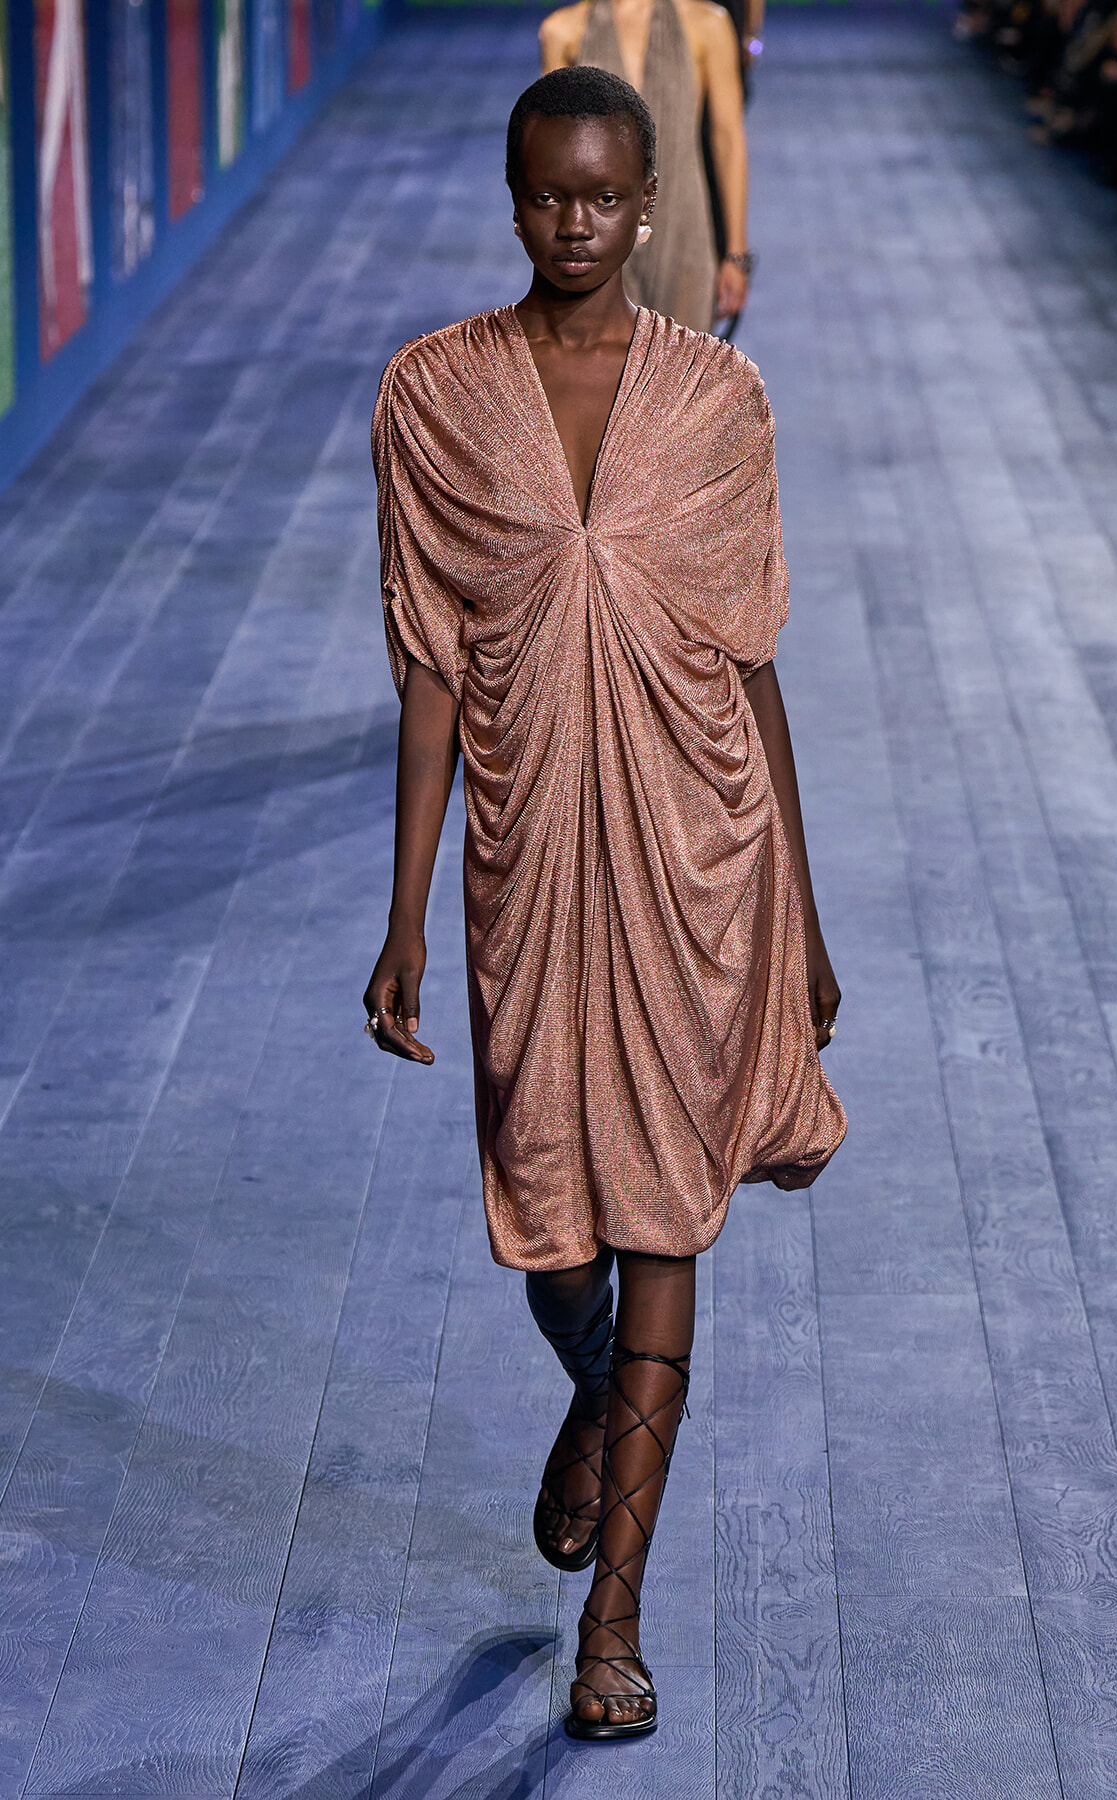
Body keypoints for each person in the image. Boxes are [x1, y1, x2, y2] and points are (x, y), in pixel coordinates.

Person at [364, 65, 845, 1741]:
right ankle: (598, 1398)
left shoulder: (720, 403)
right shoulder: (433, 398)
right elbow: (430, 669)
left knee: (658, 1213)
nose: (574, 223)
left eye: (602, 197)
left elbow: (753, 658)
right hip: (530, 859)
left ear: (649, 204)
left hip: (699, 848)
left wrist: (808, 908)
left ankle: (614, 1628)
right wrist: (408, 912)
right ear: (513, 197)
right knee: (548, 1216)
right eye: (546, 195)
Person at [540, 0, 751, 332]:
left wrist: (736, 254)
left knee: (685, 375)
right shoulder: (562, 32)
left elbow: (728, 141)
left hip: (685, 234)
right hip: (595, 242)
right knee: (601, 378)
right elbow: (554, 158)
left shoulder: (707, 24)